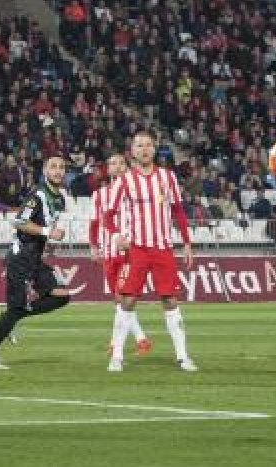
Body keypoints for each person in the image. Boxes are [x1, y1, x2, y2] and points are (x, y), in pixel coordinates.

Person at [102, 130, 196, 373]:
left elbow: (178, 211)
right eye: (139, 145)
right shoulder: (125, 181)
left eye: (148, 145)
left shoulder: (167, 177)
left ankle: (183, 357)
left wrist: (186, 243)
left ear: (154, 149)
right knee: (129, 299)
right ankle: (117, 356)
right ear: (132, 151)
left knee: (170, 299)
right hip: (137, 249)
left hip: (163, 248)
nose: (144, 149)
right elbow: (108, 216)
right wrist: (116, 236)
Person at [0, 155, 73, 369]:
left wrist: (48, 243)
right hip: (19, 259)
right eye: (53, 166)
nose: (57, 171)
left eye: (61, 167)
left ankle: (17, 314)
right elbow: (19, 221)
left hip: (35, 259)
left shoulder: (59, 198)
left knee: (62, 296)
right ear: (45, 171)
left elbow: (44, 227)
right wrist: (48, 231)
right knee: (14, 309)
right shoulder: (37, 195)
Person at [88, 153, 150, 358]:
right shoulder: (100, 195)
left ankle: (117, 345)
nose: (117, 166)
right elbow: (95, 222)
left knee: (123, 297)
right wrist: (93, 246)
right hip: (108, 252)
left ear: (127, 166)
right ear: (108, 168)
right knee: (118, 300)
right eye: (113, 163)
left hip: (128, 252)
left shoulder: (136, 191)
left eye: (121, 163)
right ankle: (140, 339)